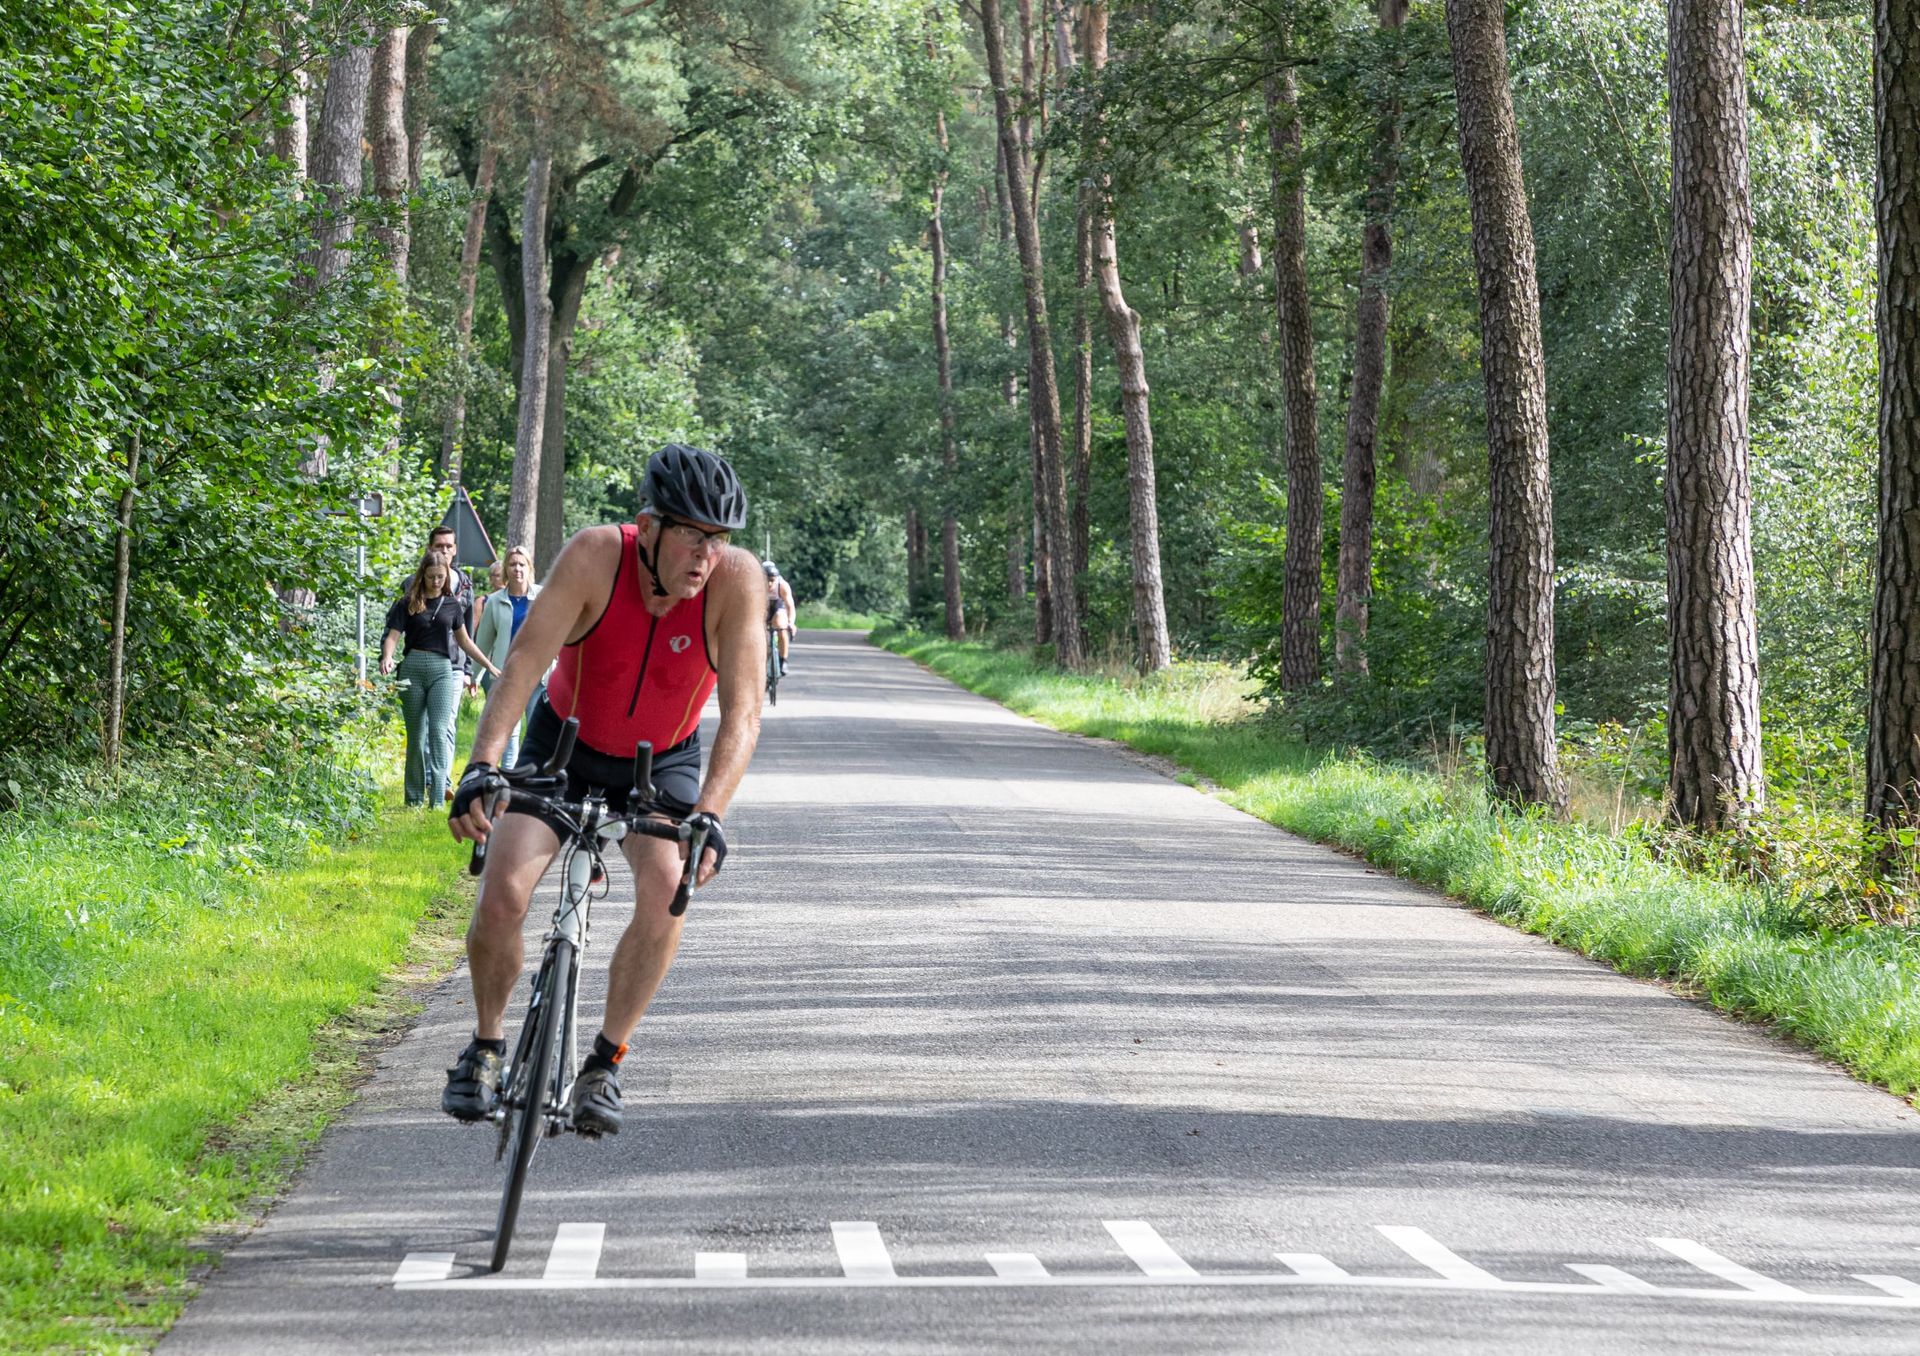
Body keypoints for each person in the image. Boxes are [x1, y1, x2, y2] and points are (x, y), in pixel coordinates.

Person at [446, 444, 765, 1137]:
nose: (705, 554)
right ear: (648, 526)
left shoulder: (737, 584)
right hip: (564, 743)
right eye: (691, 534)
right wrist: (483, 761)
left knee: (667, 888)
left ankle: (604, 1062)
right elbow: (526, 661)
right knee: (502, 889)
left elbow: (744, 714)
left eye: (718, 539)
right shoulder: (596, 556)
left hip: (664, 761)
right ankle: (487, 1044)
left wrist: (710, 812)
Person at [379, 555, 501, 808]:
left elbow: (465, 641)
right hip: (412, 668)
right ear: (422, 575)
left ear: (447, 576)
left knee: (438, 731)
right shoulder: (407, 603)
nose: (436, 582)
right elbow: (392, 636)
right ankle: (413, 798)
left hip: (442, 670)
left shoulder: (452, 605)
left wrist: (488, 665)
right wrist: (387, 657)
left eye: (441, 577)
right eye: (432, 576)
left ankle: (437, 799)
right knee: (416, 735)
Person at [472, 544, 544, 769]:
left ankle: (535, 781)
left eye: (521, 564)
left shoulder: (542, 596)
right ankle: (508, 781)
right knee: (509, 733)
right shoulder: (494, 601)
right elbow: (483, 642)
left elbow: (556, 633)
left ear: (529, 568)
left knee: (537, 731)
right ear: (506, 569)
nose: (517, 569)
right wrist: (472, 675)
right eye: (512, 564)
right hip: (506, 675)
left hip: (538, 676)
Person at [763, 560, 796, 675]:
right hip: (763, 607)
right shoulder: (755, 585)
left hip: (778, 606)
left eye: (772, 580)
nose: (769, 584)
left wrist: (791, 622)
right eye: (766, 580)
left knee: (782, 627)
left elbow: (790, 606)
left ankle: (783, 660)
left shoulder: (782, 586)